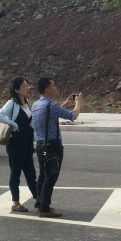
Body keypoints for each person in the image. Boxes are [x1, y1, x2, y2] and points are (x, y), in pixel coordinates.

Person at [32, 77, 83, 218]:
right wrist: (78, 103)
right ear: (47, 89)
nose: (56, 88)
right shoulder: (51, 105)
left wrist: (65, 104)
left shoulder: (36, 104)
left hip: (40, 144)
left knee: (43, 175)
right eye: (54, 86)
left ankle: (40, 203)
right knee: (51, 177)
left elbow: (51, 114)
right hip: (52, 146)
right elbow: (73, 116)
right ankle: (44, 209)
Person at [0, 76, 39, 212]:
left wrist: (35, 139)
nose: (28, 88)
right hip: (15, 142)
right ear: (17, 90)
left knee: (30, 172)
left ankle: (38, 199)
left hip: (27, 141)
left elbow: (31, 123)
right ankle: (16, 202)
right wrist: (14, 125)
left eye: (27, 85)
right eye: (24, 86)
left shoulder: (27, 102)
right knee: (16, 172)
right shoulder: (11, 103)